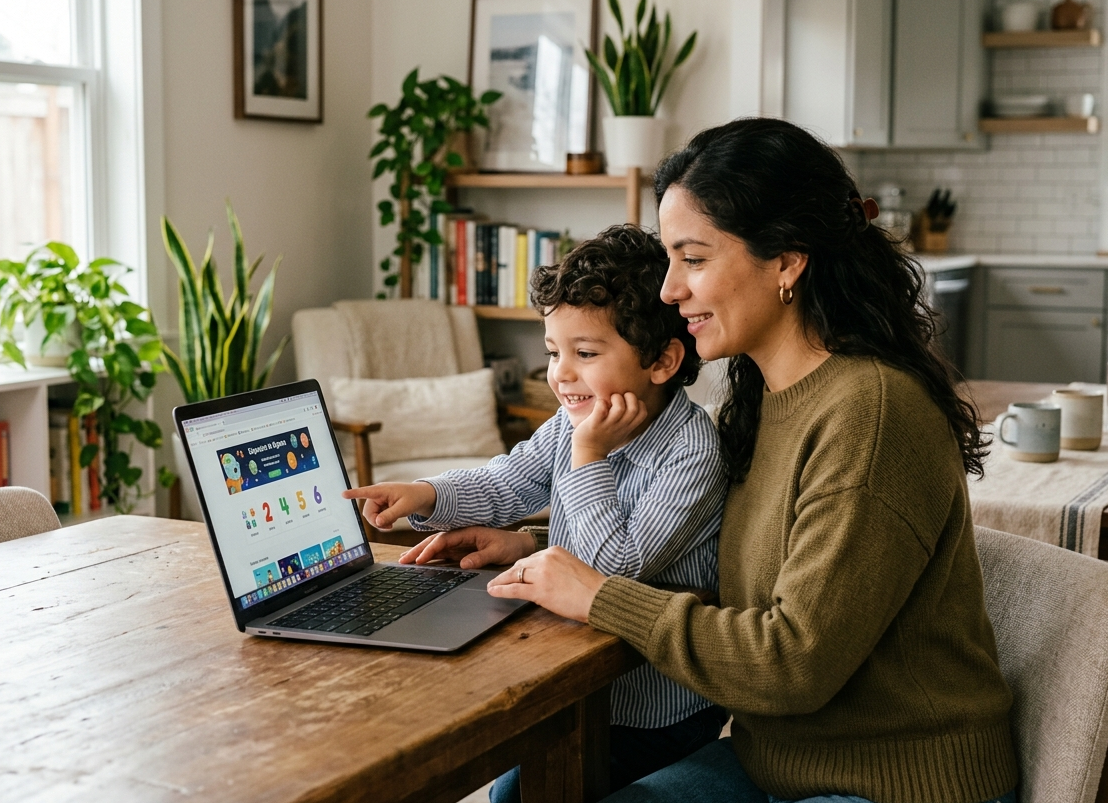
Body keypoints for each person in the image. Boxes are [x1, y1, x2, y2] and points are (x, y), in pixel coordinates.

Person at [478, 118, 1019, 803]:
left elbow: (791, 660)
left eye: (693, 258)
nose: (669, 290)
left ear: (786, 261)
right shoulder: (762, 397)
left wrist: (597, 594)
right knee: (524, 794)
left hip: (895, 784)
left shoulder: (869, 412)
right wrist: (529, 547)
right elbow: (706, 552)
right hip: (779, 761)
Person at [343, 225, 728, 798]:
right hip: (576, 677)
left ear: (663, 361)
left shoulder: (691, 453)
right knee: (507, 792)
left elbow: (611, 570)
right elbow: (508, 481)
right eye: (553, 352)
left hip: (653, 708)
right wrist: (425, 494)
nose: (560, 373)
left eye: (586, 353)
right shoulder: (572, 423)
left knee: (521, 794)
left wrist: (588, 456)